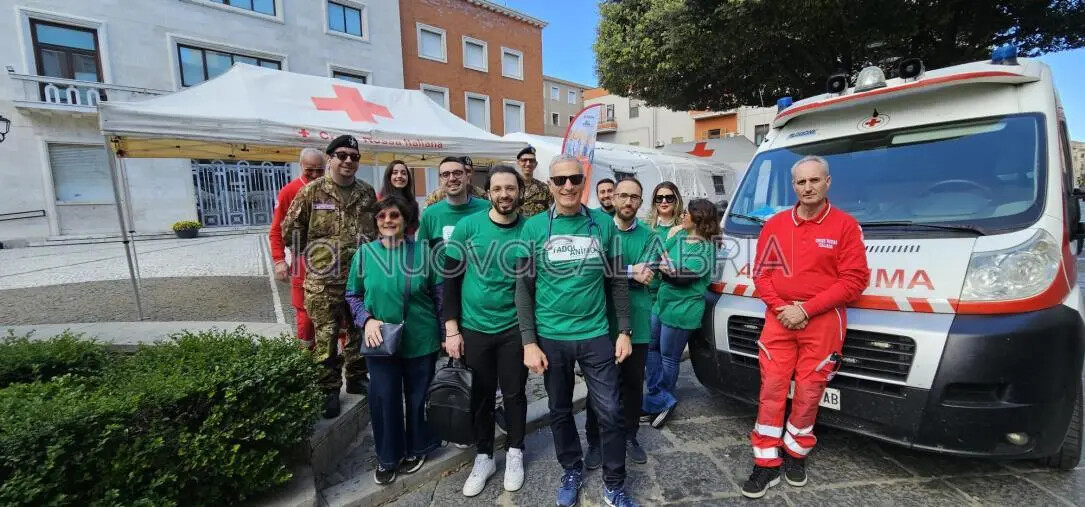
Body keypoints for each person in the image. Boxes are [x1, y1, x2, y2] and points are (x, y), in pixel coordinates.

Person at [742, 155, 870, 498]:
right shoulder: (776, 225)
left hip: (823, 321)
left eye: (815, 180)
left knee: (810, 390)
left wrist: (807, 310)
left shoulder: (845, 226)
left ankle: (795, 454)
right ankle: (766, 462)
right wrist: (783, 308)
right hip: (780, 319)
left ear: (827, 182)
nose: (808, 187)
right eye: (801, 182)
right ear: (793, 186)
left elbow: (855, 281)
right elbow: (762, 275)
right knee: (771, 389)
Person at [515, 154, 639, 507]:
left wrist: (624, 331)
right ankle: (570, 467)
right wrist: (528, 342)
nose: (568, 185)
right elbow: (523, 288)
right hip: (551, 337)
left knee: (611, 411)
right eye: (560, 180)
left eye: (574, 179)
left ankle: (614, 484)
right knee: (558, 409)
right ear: (550, 185)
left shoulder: (603, 224)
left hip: (595, 334)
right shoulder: (534, 227)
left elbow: (617, 282)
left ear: (583, 181)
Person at [442, 165, 529, 496]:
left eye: (510, 188)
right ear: (488, 193)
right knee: (480, 396)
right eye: (498, 188)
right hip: (475, 327)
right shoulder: (468, 227)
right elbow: (449, 281)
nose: (504, 194)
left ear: (519, 191)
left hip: (515, 329)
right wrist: (452, 330)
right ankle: (483, 456)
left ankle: (516, 452)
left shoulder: (530, 229)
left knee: (515, 393)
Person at [345, 196, 443, 486]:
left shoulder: (425, 253)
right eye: (382, 216)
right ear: (376, 221)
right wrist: (366, 320)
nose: (388, 220)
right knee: (384, 399)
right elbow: (353, 295)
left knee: (417, 397)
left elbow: (439, 297)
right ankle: (388, 457)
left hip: (420, 338)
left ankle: (418, 446)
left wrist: (449, 335)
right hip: (380, 339)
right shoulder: (364, 255)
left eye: (394, 216)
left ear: (406, 220)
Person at [281, 135, 377, 419]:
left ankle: (358, 378)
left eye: (354, 156)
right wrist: (315, 256)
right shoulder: (311, 192)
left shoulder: (367, 193)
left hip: (359, 279)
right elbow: (290, 231)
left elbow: (377, 229)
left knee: (358, 331)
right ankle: (328, 390)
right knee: (326, 336)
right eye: (342, 155)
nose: (348, 160)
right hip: (324, 282)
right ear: (330, 157)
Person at [584, 177, 657, 469]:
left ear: (640, 202)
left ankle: (629, 435)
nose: (628, 202)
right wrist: (629, 270)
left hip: (637, 322)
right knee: (598, 387)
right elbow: (593, 269)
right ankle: (595, 441)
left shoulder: (650, 235)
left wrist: (619, 272)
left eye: (635, 197)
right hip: (601, 322)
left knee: (631, 384)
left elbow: (648, 274)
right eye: (623, 195)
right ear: (612, 198)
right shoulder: (598, 231)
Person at [641, 199, 719, 429]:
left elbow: (682, 278)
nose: (682, 215)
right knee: (649, 346)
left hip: (683, 309)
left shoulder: (707, 249)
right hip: (662, 303)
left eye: (686, 213)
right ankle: (660, 397)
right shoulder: (679, 237)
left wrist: (669, 269)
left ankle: (661, 400)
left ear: (698, 217)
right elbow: (657, 259)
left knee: (668, 356)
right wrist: (668, 268)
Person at [269, 148, 325, 349]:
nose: (316, 175)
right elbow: (276, 230)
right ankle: (306, 357)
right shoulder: (289, 192)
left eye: (320, 170)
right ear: (301, 165)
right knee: (306, 315)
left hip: (333, 262)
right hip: (303, 261)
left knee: (339, 314)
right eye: (311, 170)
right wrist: (279, 260)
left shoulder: (331, 189)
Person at [379, 159, 420, 236]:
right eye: (395, 173)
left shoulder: (412, 203)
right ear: (389, 177)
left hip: (407, 244)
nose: (399, 176)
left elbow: (413, 227)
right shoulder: (380, 199)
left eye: (403, 173)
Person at [516, 146, 554, 217]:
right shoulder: (510, 186)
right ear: (518, 162)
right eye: (524, 160)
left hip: (536, 227)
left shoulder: (544, 188)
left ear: (536, 164)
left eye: (531, 161)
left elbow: (551, 212)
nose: (528, 164)